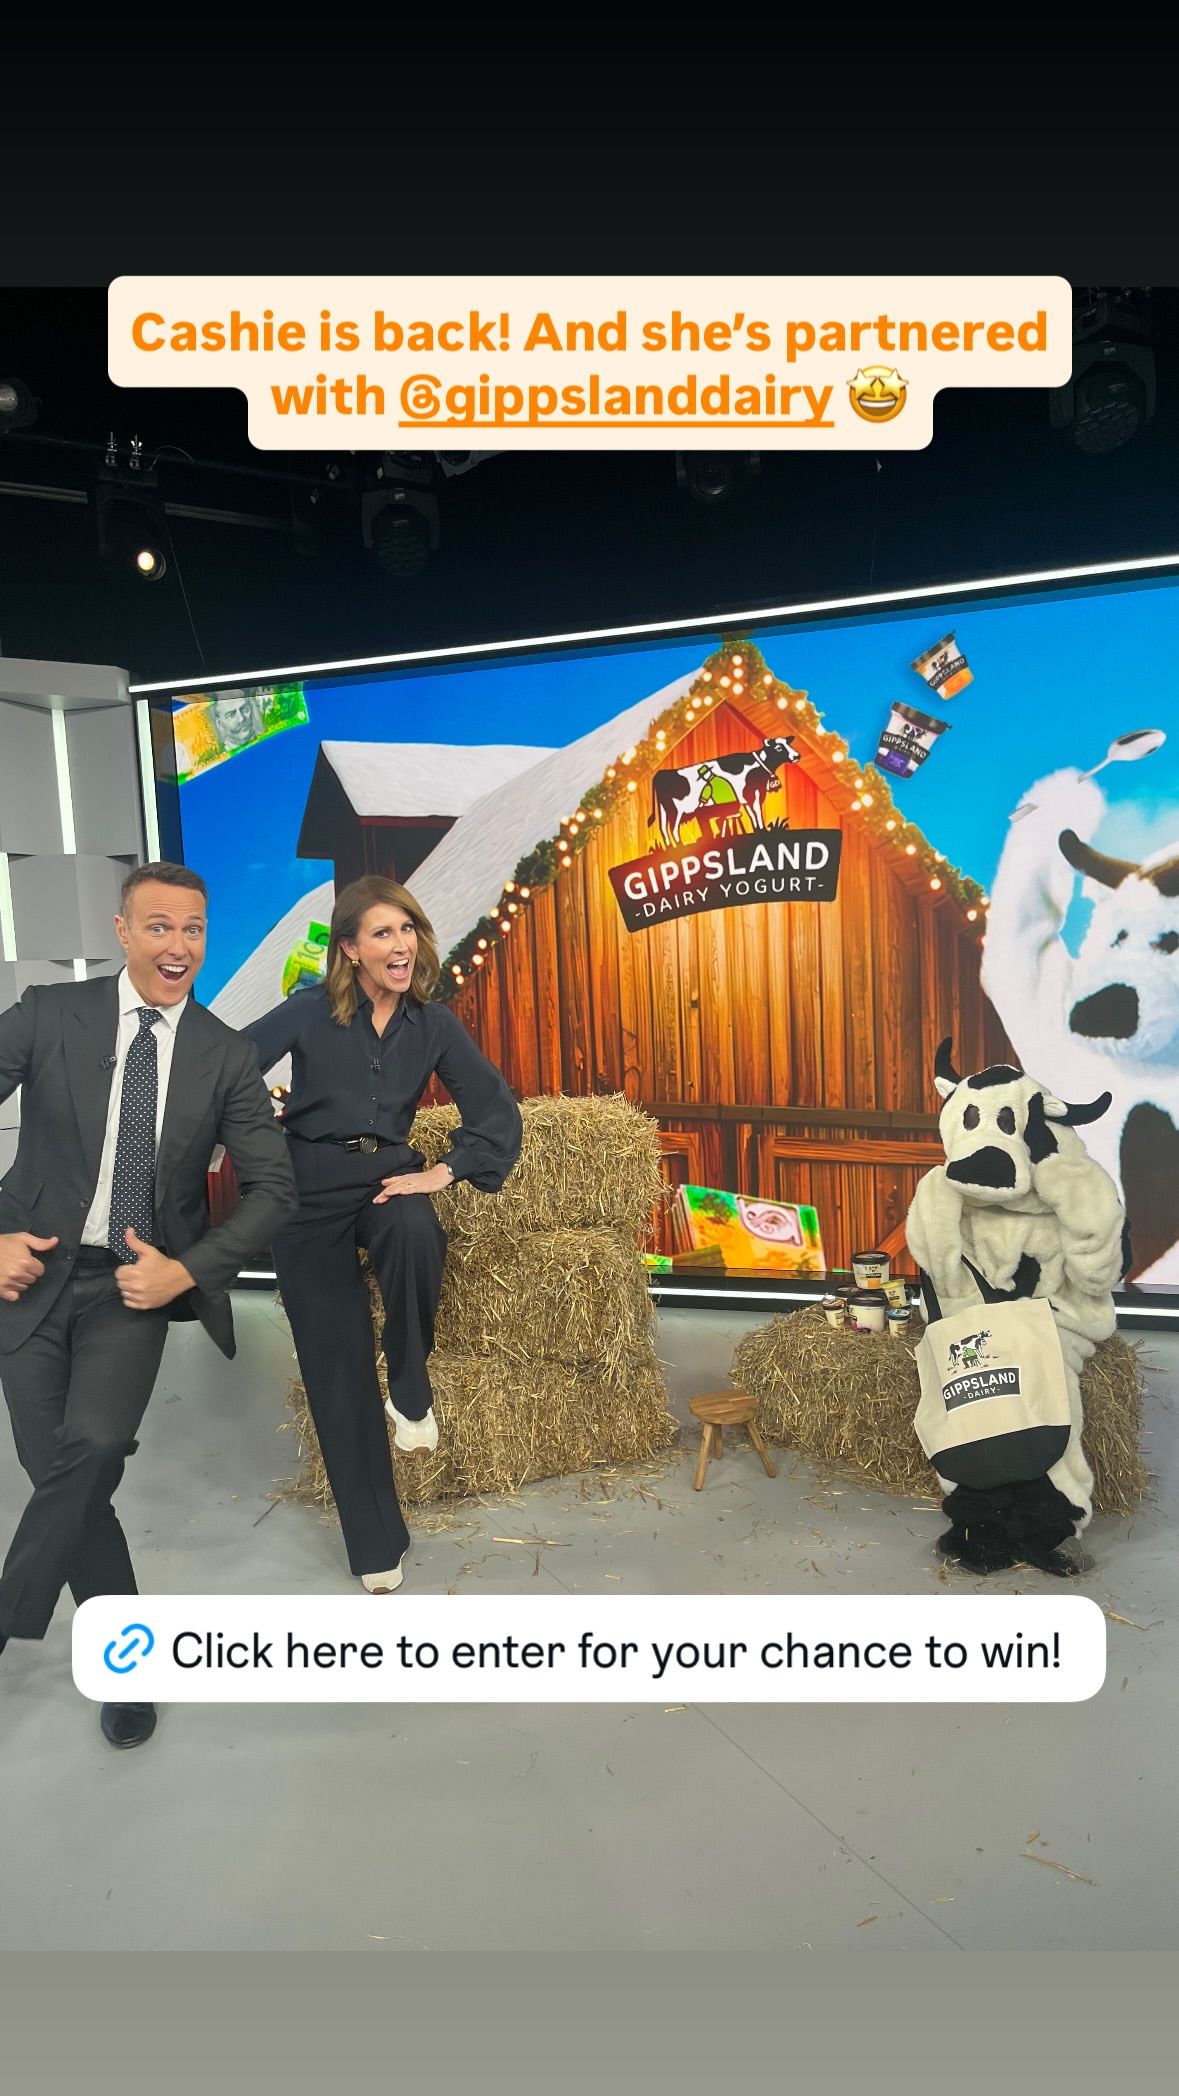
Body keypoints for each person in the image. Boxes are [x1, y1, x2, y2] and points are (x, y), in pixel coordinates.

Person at [0, 863, 297, 1748]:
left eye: (193, 929)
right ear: (123, 932)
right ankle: (131, 1667)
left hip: (131, 1286)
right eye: (159, 926)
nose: (179, 946)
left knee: (92, 1447)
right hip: (28, 1275)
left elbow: (274, 1190)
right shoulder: (48, 1015)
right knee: (70, 1480)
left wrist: (185, 1271)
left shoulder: (225, 1053)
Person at [244, 875, 522, 1596]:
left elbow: (493, 1109)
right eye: (382, 933)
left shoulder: (433, 1023)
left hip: (385, 1177)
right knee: (335, 1367)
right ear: (350, 949)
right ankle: (375, 1542)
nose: (401, 945)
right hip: (307, 1192)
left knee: (416, 1227)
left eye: (408, 930)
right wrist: (259, 1150)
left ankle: (409, 1384)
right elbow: (225, 1073)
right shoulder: (308, 1012)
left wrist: (444, 1171)